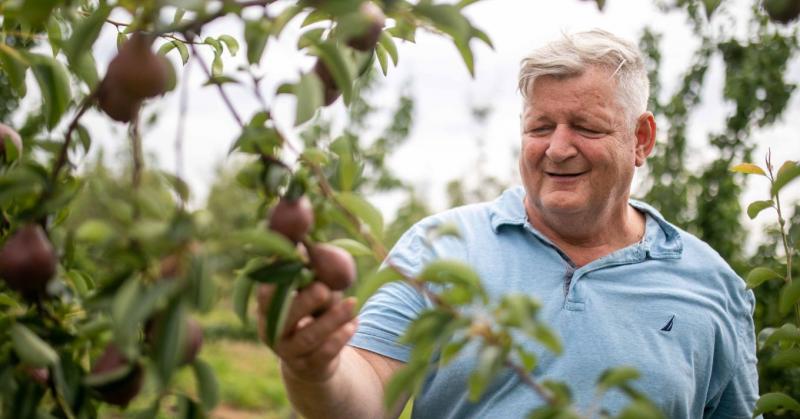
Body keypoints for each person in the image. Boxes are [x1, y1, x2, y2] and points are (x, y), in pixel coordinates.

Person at [257, 29, 759, 418]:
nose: (558, 149)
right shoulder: (442, 250)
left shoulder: (712, 287)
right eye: (540, 127)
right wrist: (312, 366)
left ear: (642, 139)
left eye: (585, 127)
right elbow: (365, 392)